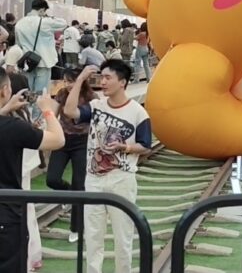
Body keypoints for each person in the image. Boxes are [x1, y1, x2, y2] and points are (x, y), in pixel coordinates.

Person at [63, 61, 152, 273]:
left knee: (123, 237)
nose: (102, 82)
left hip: (122, 180)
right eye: (101, 77)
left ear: (122, 82)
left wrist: (125, 147)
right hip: (94, 179)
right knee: (93, 236)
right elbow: (69, 110)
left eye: (108, 78)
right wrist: (80, 79)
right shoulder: (96, 106)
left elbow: (145, 146)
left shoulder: (138, 113)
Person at [0, 67, 65, 273]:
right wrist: (47, 109)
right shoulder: (13, 127)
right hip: (6, 214)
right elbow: (58, 140)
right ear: (5, 90)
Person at [47, 69, 94, 243]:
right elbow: (53, 113)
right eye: (65, 81)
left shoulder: (91, 97)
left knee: (79, 186)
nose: (67, 85)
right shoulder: (62, 93)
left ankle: (76, 228)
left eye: (71, 81)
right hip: (62, 140)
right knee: (52, 179)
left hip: (82, 142)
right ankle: (67, 194)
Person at [14, 0, 67, 93]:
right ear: (42, 10)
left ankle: (28, 102)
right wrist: (49, 17)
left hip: (27, 62)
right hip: (44, 61)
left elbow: (18, 43)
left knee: (27, 90)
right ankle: (37, 103)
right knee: (41, 92)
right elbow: (63, 23)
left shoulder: (19, 23)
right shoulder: (44, 22)